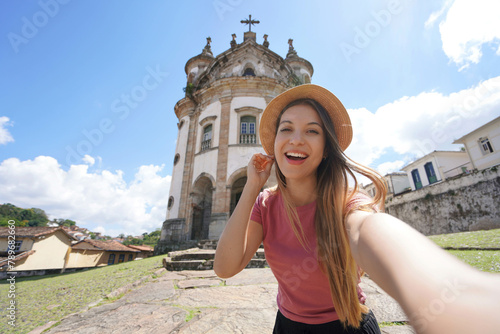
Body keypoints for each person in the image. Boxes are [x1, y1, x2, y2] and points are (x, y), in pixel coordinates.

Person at [213, 84, 500, 334]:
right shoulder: (265, 204)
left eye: (312, 131)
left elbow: (368, 230)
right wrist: (252, 187)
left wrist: (450, 292)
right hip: (287, 326)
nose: (296, 139)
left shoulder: (347, 201)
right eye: (286, 128)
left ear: (326, 148)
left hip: (349, 326)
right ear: (274, 144)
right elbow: (225, 267)